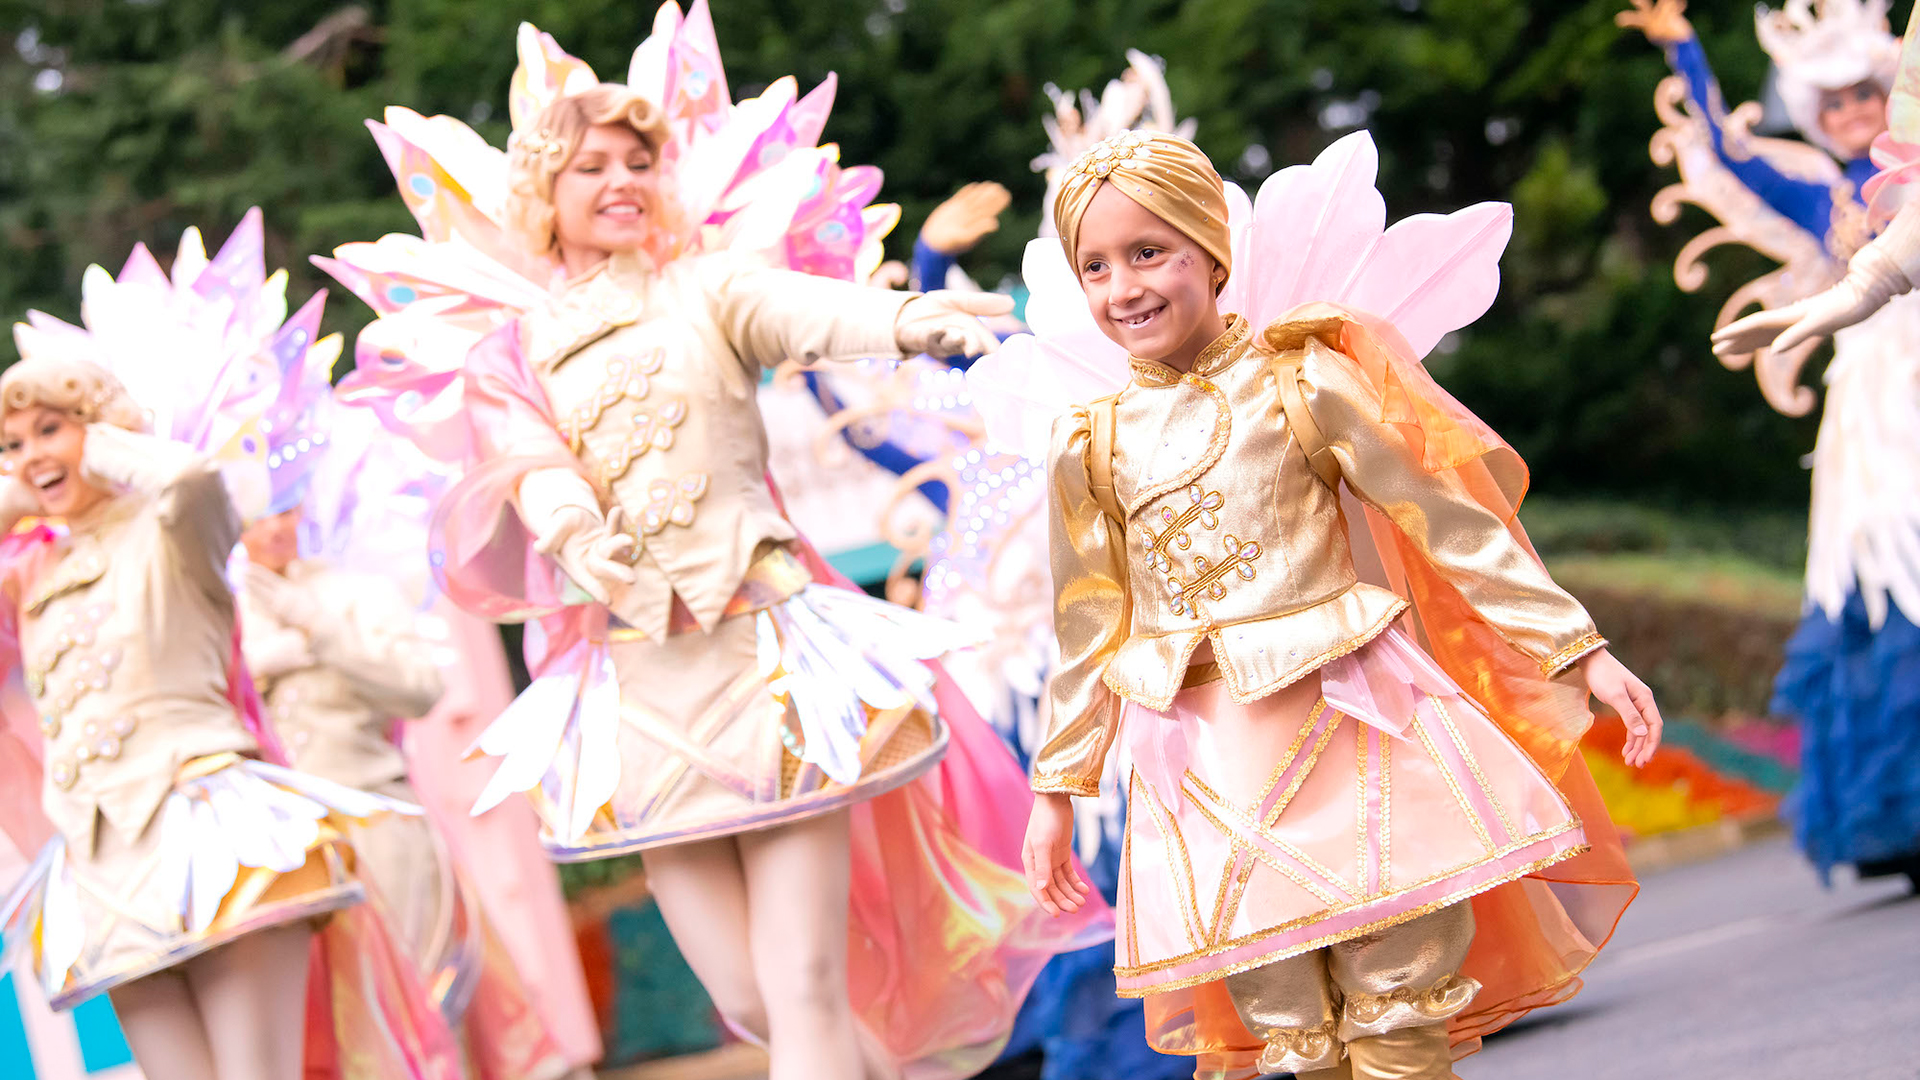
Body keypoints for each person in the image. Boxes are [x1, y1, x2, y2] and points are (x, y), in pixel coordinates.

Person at [1004, 130, 1658, 1079]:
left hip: (1354, 725)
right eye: (1095, 267)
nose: (1123, 288)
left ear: (1212, 252)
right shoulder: (1088, 445)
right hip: (1205, 768)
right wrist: (1056, 787)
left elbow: (1451, 526)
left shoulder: (1302, 381)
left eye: (1150, 253)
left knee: (1399, 1009)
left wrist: (1577, 648)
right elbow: (1088, 627)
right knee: (1294, 1034)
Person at [0, 357, 416, 1080]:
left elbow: (195, 483)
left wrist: (108, 447)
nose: (32, 454)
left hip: (211, 830)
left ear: (100, 431)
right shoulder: (30, 572)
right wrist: (14, 502)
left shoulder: (172, 531)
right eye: (11, 444)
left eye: (48, 430)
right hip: (100, 858)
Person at [1626, 0, 1920, 886]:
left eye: (1865, 93)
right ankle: (1898, 814)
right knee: (1881, 574)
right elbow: (1729, 151)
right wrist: (1685, 49)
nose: (1851, 113)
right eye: (1831, 105)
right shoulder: (1824, 197)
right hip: (1879, 409)